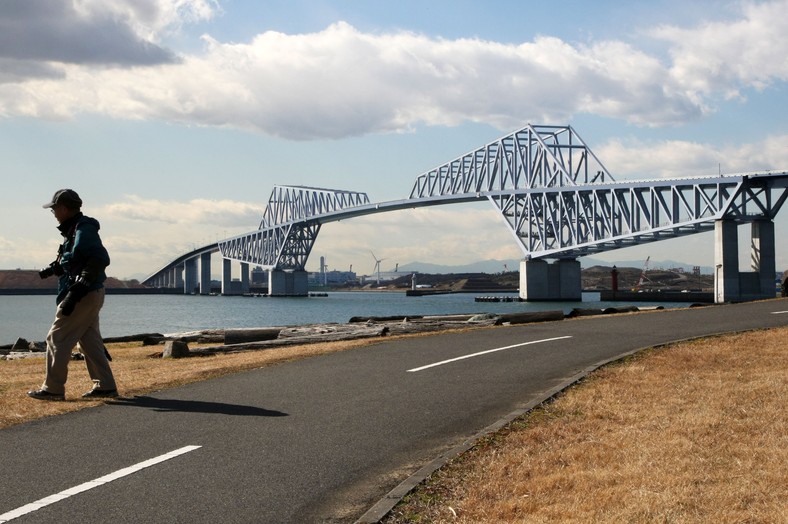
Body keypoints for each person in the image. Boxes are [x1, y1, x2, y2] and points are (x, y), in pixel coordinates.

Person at [28, 189, 118, 400]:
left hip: (82, 294)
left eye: (55, 208)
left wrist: (77, 289)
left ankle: (53, 389)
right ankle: (105, 386)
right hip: (91, 293)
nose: (53, 213)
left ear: (65, 208)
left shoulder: (83, 229)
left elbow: (98, 258)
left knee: (56, 338)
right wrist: (56, 268)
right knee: (89, 341)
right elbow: (76, 258)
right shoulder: (75, 230)